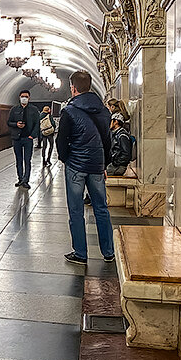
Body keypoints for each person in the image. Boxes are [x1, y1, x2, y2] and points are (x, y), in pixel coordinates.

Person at [56, 71, 115, 265]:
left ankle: (81, 253)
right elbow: (107, 139)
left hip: (76, 165)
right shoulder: (104, 110)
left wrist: (66, 159)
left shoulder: (69, 111)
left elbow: (61, 139)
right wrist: (104, 163)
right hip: (97, 164)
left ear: (73, 88)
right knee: (101, 208)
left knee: (76, 209)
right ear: (89, 86)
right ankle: (108, 252)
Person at [7, 89, 41, 189]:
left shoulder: (34, 110)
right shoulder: (14, 109)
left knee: (27, 160)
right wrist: (16, 124)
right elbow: (9, 122)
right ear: (19, 97)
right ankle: (20, 178)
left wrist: (32, 135)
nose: (24, 98)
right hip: (16, 138)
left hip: (27, 138)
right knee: (18, 159)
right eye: (22, 96)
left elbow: (37, 124)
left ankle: (26, 180)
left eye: (26, 97)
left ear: (29, 98)